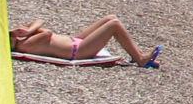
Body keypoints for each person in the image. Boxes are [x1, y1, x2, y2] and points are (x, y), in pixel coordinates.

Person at [11, 15, 161, 67]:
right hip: (78, 51)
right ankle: (140, 58)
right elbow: (47, 33)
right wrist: (30, 30)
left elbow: (40, 20)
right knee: (114, 25)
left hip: (75, 40)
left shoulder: (23, 38)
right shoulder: (25, 45)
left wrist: (30, 28)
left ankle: (138, 53)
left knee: (110, 17)